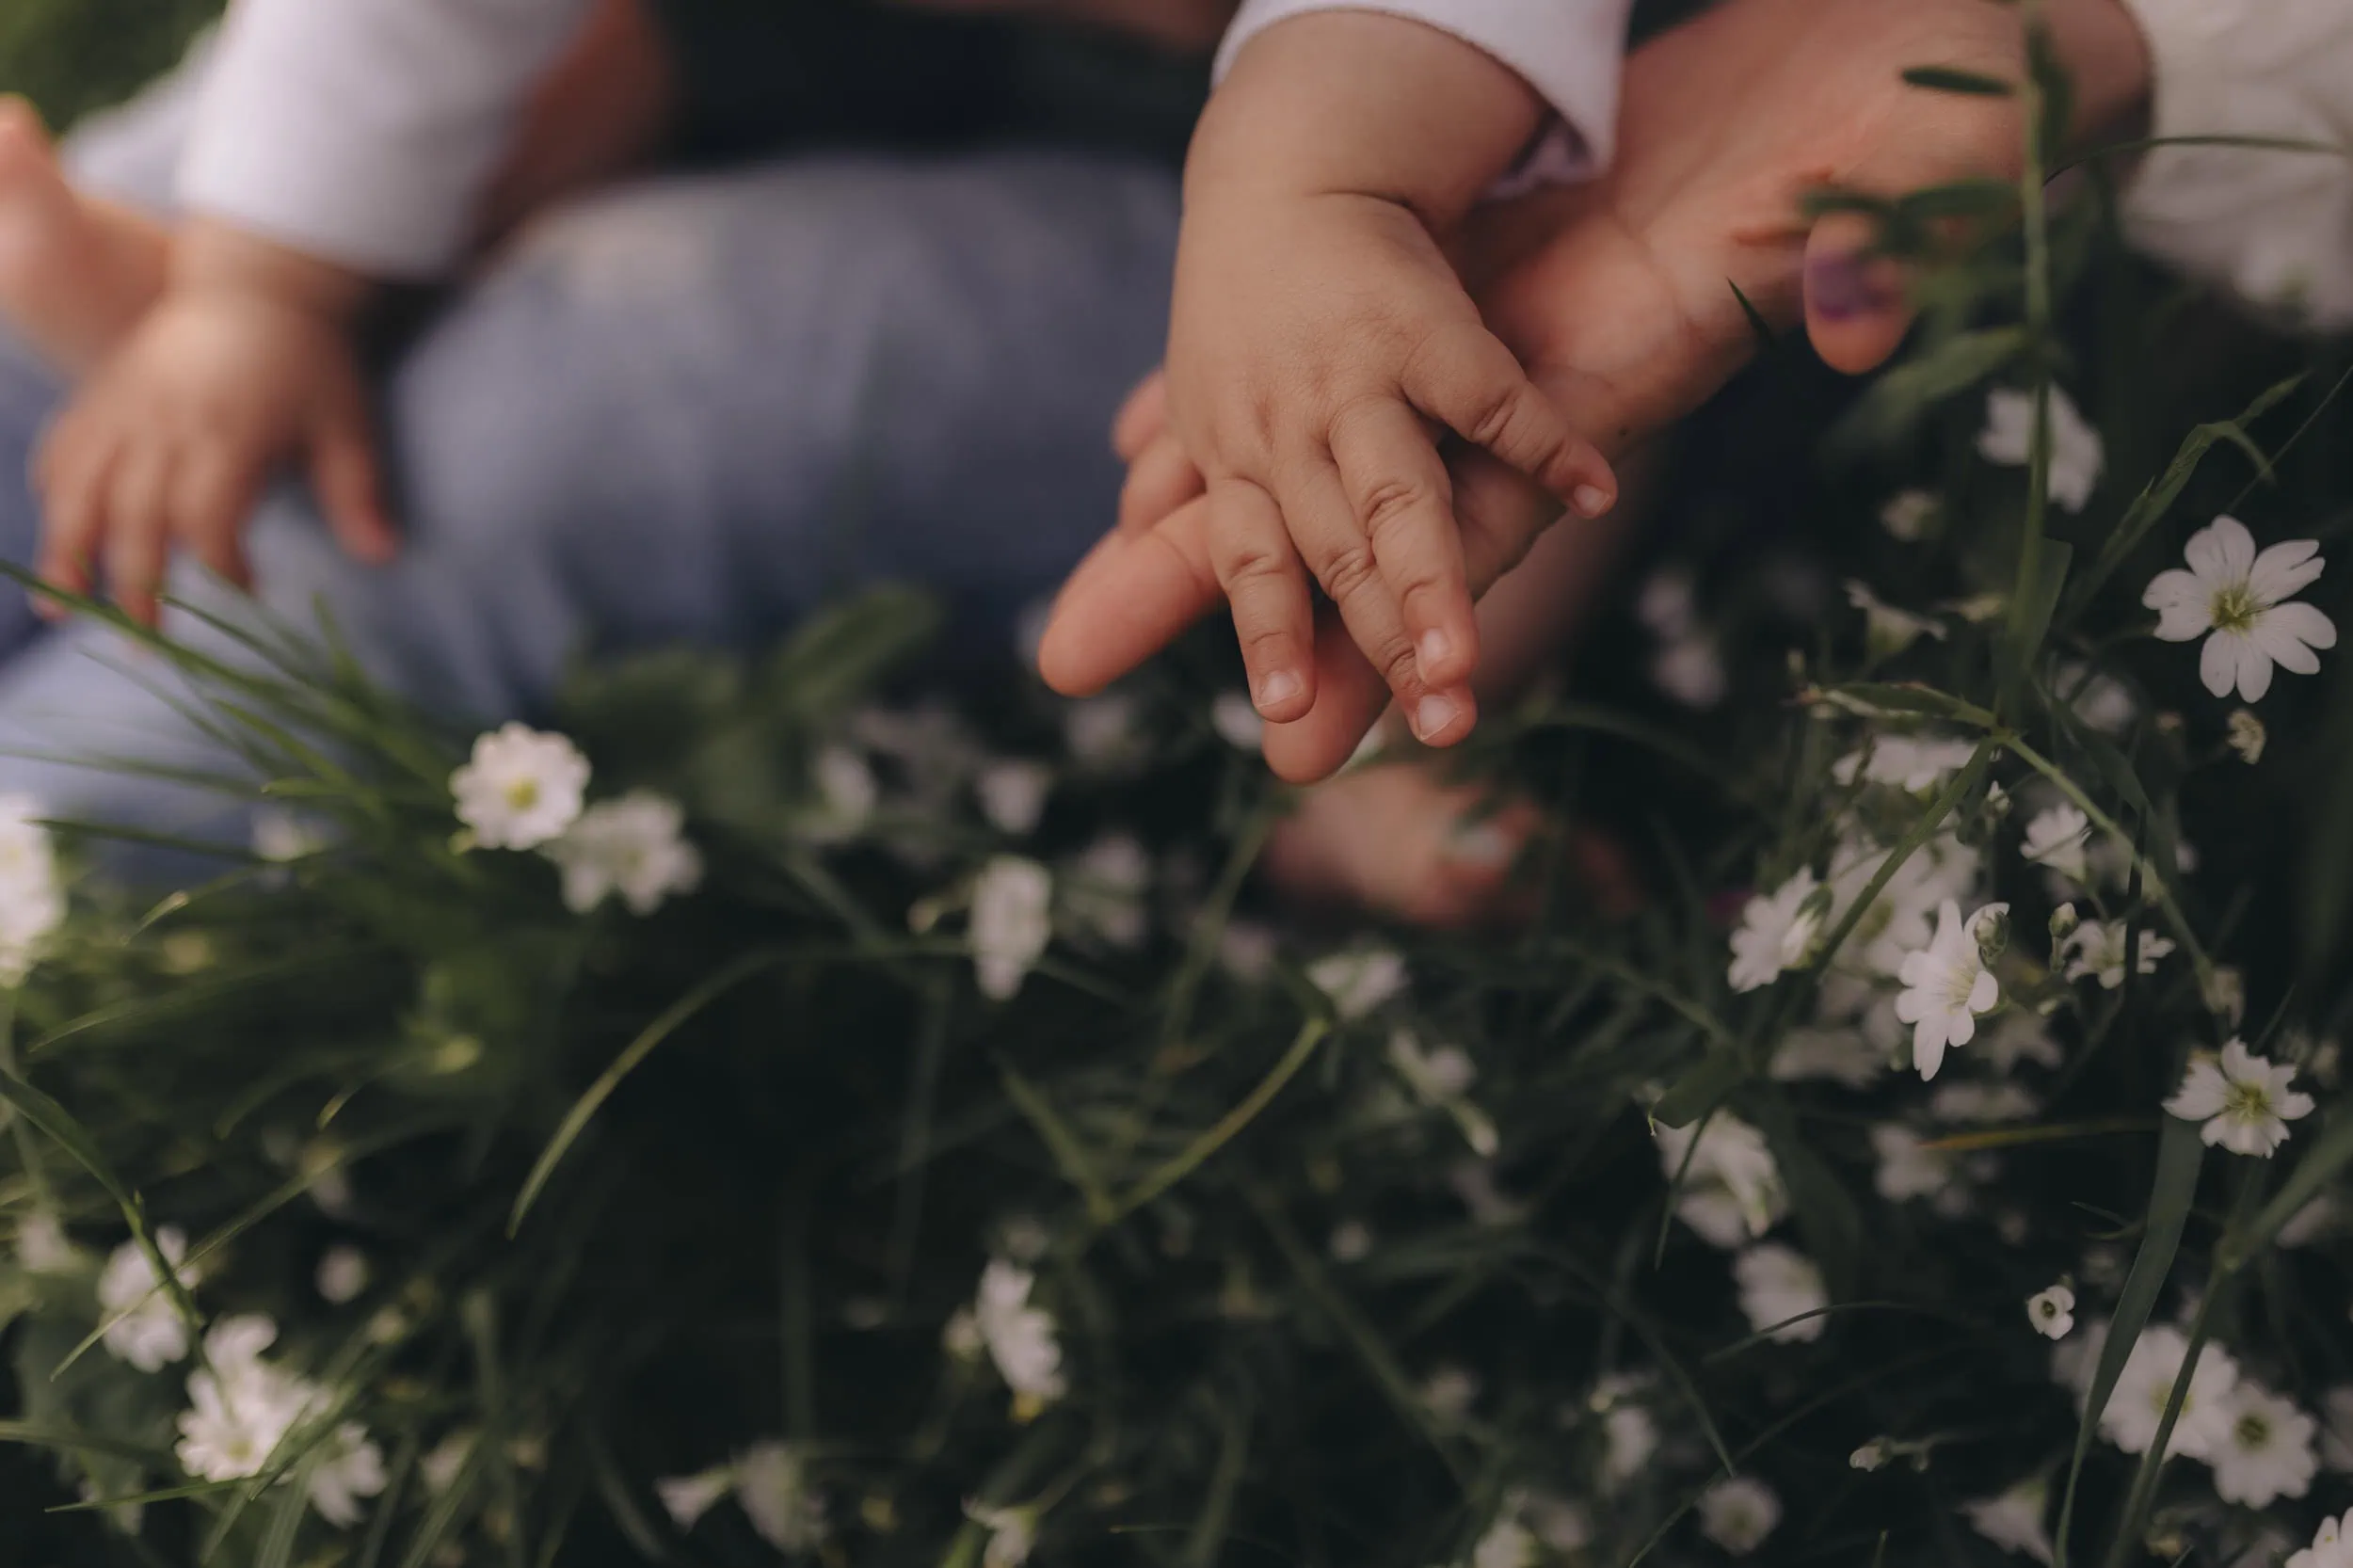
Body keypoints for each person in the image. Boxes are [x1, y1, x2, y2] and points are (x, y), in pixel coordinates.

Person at [1040, 0, 2353, 799]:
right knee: (1419, 409)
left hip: (1493, 109)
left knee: (1500, 377)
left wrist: (1298, 168)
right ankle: (1408, 711)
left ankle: (1439, 688)